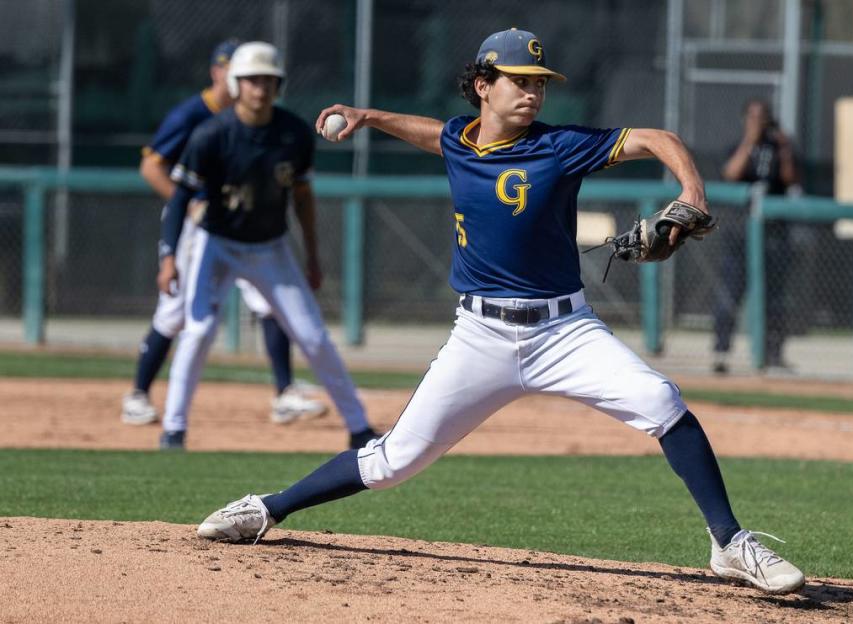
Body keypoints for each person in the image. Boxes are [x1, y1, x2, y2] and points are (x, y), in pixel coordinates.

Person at [195, 30, 805, 595]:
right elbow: (433, 132)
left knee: (664, 404)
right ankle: (267, 507)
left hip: (565, 331)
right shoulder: (461, 139)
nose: (534, 92)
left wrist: (690, 193)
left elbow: (658, 140)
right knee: (392, 461)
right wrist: (369, 116)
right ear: (484, 86)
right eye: (521, 80)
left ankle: (729, 542)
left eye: (539, 82)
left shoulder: (560, 147)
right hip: (481, 336)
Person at [154, 41, 379, 451]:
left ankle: (360, 427)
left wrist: (311, 255)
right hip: (217, 243)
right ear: (237, 84)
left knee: (312, 336)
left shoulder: (292, 133)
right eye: (253, 80)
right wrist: (169, 257)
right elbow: (180, 199)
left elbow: (303, 198)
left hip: (271, 247)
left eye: (269, 80)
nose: (261, 88)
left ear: (279, 86)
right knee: (199, 329)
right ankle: (174, 429)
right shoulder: (211, 135)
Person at [122, 39, 327, 427]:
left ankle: (284, 393)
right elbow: (152, 167)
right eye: (231, 69)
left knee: (270, 306)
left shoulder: (261, 118)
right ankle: (138, 393)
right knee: (176, 310)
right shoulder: (193, 115)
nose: (252, 83)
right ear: (220, 73)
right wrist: (192, 206)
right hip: (197, 223)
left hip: (247, 224)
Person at [712, 98, 798, 374]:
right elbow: (730, 174)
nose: (758, 123)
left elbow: (792, 180)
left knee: (774, 298)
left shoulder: (779, 148)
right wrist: (750, 141)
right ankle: (721, 352)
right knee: (730, 294)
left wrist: (784, 148)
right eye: (752, 117)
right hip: (739, 236)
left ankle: (772, 353)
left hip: (773, 236)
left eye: (762, 118)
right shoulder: (736, 147)